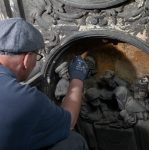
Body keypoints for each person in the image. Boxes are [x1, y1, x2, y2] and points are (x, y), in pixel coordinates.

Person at [0, 17, 89, 150]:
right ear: (27, 58)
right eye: (37, 57)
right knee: (74, 141)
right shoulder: (23, 98)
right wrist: (77, 79)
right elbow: (69, 122)